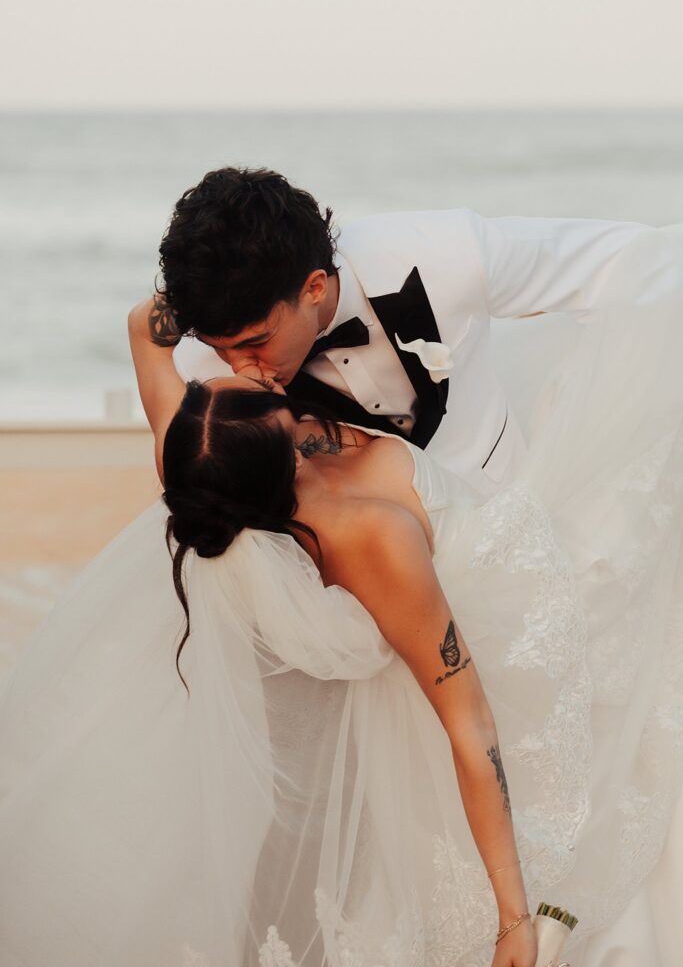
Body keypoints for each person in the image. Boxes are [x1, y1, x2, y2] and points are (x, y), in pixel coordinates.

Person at [1, 226, 682, 966]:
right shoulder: (370, 536)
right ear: (291, 456)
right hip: (520, 607)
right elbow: (467, 720)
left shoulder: (202, 462)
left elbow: (145, 332)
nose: (249, 373)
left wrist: (213, 284)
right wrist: (511, 915)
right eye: (260, 394)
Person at [152, 166, 682, 496]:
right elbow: (192, 491)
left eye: (254, 342)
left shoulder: (447, 253)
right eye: (220, 348)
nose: (239, 366)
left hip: (515, 504)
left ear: (313, 287)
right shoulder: (209, 378)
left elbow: (628, 266)